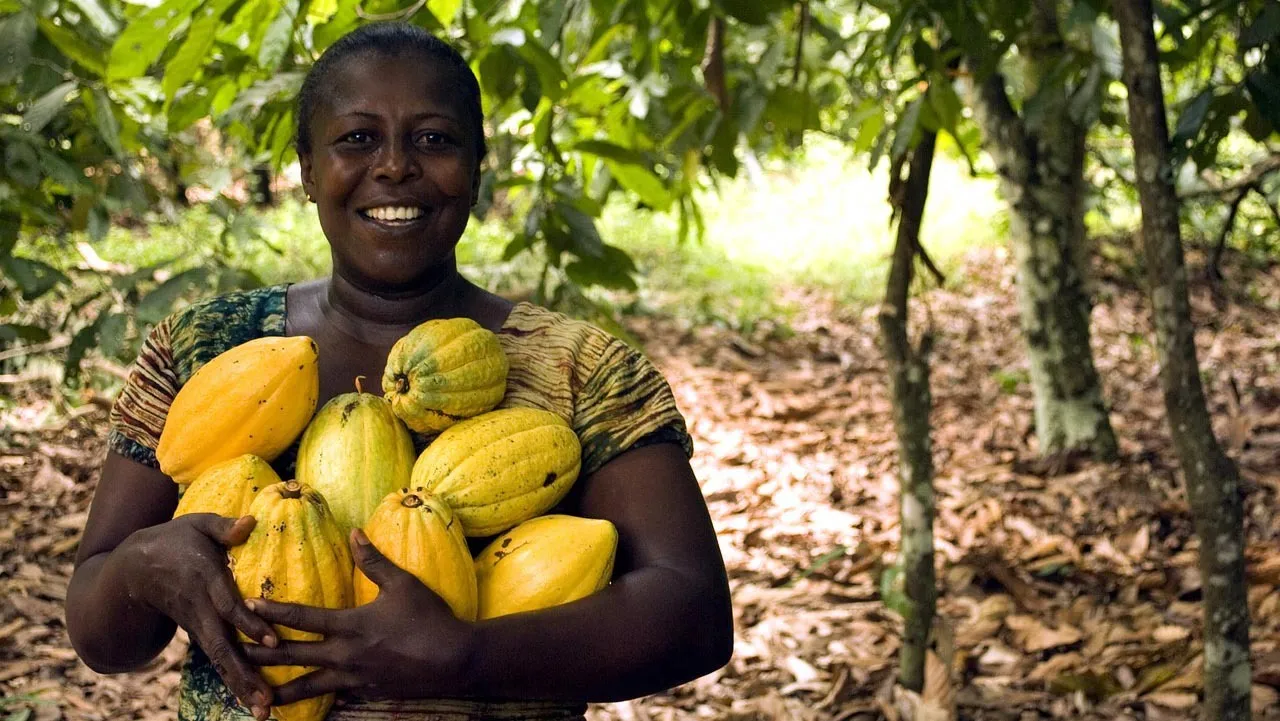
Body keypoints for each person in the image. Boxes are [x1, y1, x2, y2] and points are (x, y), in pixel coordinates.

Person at [64, 21, 733, 721]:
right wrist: (142, 570)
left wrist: (467, 653)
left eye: (434, 139)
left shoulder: (581, 371)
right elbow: (99, 628)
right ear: (307, 169)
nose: (393, 167)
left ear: (477, 167)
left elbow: (694, 613)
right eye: (357, 138)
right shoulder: (203, 347)